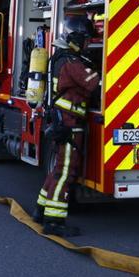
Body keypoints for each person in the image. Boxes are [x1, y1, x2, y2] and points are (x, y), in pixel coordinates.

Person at [34, 15, 100, 237]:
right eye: (86, 39)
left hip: (62, 122)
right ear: (76, 38)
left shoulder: (61, 57)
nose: (88, 43)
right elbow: (93, 84)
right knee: (65, 172)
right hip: (70, 123)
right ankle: (54, 222)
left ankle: (41, 210)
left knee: (58, 169)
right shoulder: (72, 63)